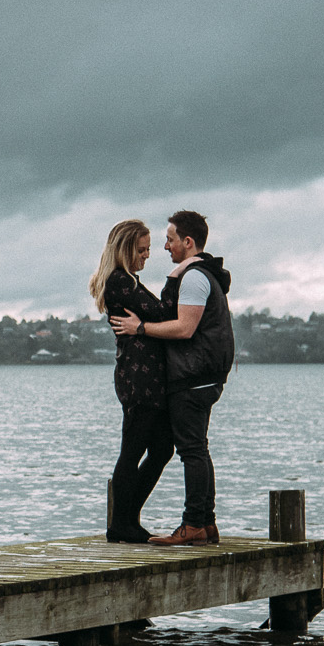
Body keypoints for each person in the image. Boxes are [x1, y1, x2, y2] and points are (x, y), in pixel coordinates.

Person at [112, 210, 234, 545]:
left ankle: (194, 523)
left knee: (191, 450)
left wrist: (141, 327)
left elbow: (184, 327)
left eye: (169, 239)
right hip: (198, 375)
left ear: (188, 241)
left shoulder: (193, 277)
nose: (164, 246)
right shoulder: (196, 274)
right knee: (195, 449)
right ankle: (204, 523)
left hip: (193, 377)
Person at [90, 219, 177, 543]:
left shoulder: (128, 282)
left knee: (161, 448)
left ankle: (127, 519)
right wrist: (177, 279)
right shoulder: (119, 282)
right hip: (138, 379)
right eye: (142, 250)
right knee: (133, 451)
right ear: (126, 250)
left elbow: (153, 315)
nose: (147, 255)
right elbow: (162, 315)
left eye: (148, 249)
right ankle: (121, 524)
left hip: (148, 378)